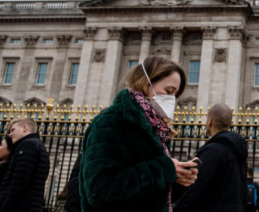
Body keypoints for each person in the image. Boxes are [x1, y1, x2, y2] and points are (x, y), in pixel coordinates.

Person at [79, 56, 198, 212]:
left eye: (175, 95)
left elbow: (149, 195)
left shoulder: (155, 127)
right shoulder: (111, 122)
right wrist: (164, 169)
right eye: (168, 91)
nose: (172, 99)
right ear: (146, 83)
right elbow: (100, 191)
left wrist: (178, 180)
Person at [174, 103, 249, 212]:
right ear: (230, 124)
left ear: (210, 122)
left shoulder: (213, 150)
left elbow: (196, 186)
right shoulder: (239, 149)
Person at [0, 118, 50, 212]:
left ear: (24, 128)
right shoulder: (38, 146)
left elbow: (18, 183)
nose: (10, 134)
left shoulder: (28, 145)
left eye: (13, 130)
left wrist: (5, 208)